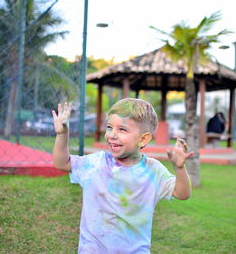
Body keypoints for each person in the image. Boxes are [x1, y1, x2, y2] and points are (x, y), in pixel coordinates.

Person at [52, 98, 193, 254]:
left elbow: (182, 194)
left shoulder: (153, 171)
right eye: (109, 127)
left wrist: (180, 168)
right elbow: (62, 163)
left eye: (122, 129)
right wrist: (62, 134)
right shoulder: (97, 162)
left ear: (143, 139)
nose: (112, 135)